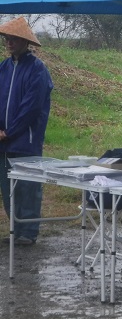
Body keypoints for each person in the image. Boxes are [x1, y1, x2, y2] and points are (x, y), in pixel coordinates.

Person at [0, 16, 54, 246]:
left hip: (26, 141)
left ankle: (29, 232)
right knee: (8, 187)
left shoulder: (37, 70)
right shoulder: (4, 67)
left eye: (14, 39)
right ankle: (15, 229)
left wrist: (9, 131)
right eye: (7, 39)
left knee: (28, 187)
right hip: (4, 141)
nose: (9, 42)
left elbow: (31, 108)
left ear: (25, 42)